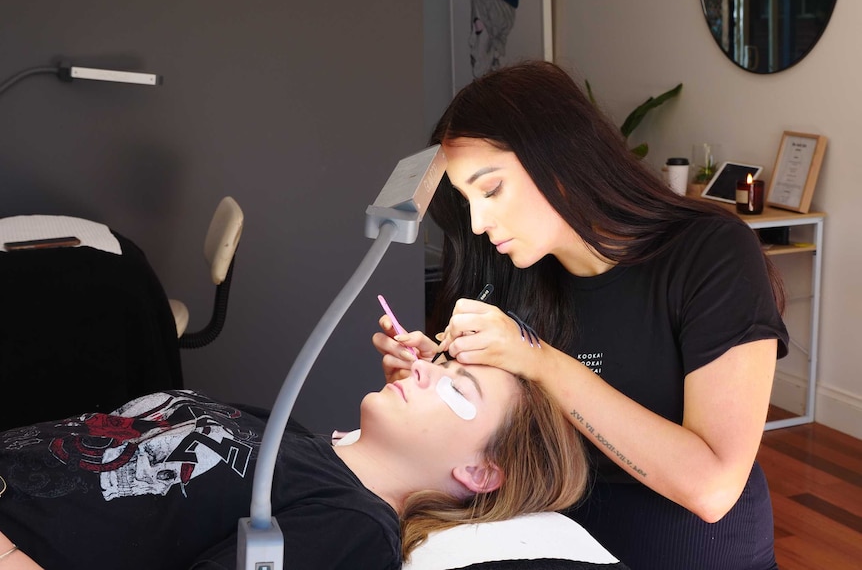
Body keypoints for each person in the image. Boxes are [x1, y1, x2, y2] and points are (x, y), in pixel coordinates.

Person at [374, 60, 790, 570]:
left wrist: (540, 362)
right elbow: (482, 450)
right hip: (553, 549)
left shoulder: (712, 255)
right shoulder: (514, 279)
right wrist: (428, 382)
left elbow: (712, 487)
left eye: (491, 189)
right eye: (466, 200)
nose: (479, 223)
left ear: (560, 157)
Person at [0, 355, 592, 569]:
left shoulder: (353, 527)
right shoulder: (286, 430)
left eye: (458, 388)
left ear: (481, 472)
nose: (425, 367)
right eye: (441, 359)